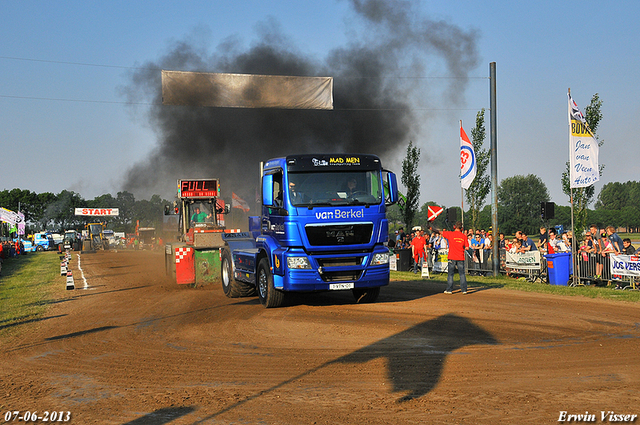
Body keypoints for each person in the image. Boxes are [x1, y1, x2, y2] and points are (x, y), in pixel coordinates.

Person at [442, 222, 470, 294]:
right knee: (462, 274)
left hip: (452, 257)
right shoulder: (464, 236)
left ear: (454, 227)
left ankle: (449, 289)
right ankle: (464, 290)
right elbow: (467, 247)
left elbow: (440, 232)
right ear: (462, 228)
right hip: (460, 257)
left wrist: (431, 228)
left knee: (451, 274)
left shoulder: (450, 234)